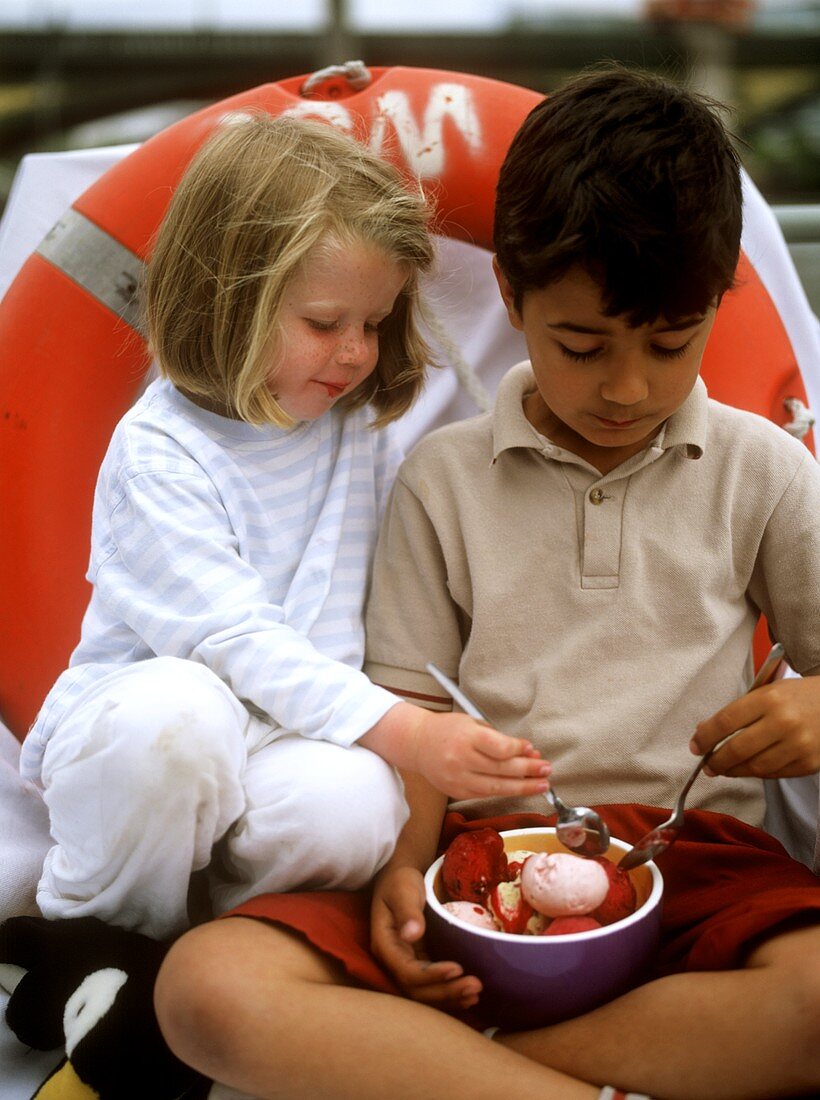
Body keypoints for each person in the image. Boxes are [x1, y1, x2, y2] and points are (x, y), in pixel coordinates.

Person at [154, 68, 820, 1099]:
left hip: (695, 859)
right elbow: (411, 711)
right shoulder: (442, 478)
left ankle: (459, 1077)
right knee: (206, 984)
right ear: (509, 294)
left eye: (669, 343)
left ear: (718, 302)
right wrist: (398, 875)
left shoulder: (766, 470)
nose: (626, 386)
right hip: (474, 863)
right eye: (580, 344)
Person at [20, 114, 551, 943]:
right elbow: (231, 638)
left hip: (282, 735)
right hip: (146, 729)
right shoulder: (159, 451)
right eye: (324, 323)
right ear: (230, 300)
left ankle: (228, 946)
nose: (354, 354)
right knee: (182, 720)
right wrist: (412, 734)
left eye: (373, 325)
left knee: (357, 806)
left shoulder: (349, 428)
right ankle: (96, 940)